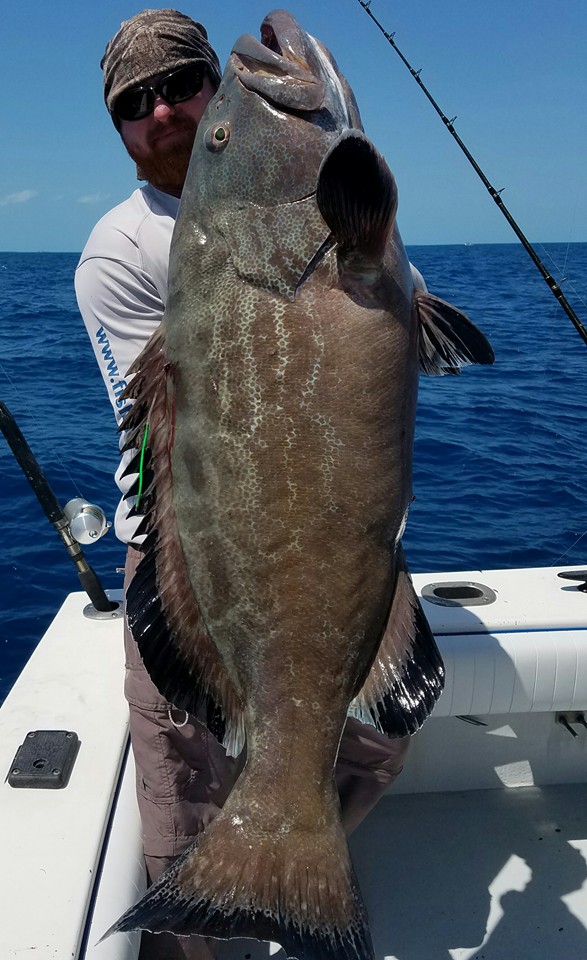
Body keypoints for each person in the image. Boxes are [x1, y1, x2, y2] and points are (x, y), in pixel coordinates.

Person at [75, 9, 411, 959]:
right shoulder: (116, 251)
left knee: (380, 734)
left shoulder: (311, 200)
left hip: (335, 530)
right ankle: (215, 918)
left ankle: (292, 867)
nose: (162, 111)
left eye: (183, 87)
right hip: (197, 540)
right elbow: (167, 426)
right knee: (178, 772)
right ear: (119, 129)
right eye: (134, 103)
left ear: (210, 90)